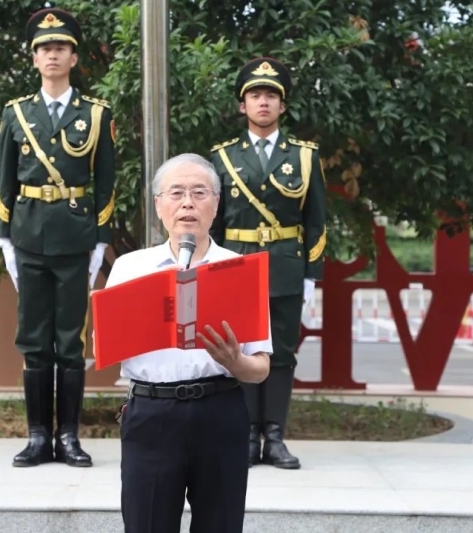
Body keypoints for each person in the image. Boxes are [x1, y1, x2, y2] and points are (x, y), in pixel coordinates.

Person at [101, 153, 273, 533]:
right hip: (151, 414)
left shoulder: (240, 269)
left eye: (199, 192)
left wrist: (234, 361)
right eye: (176, 193)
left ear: (216, 203)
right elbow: (104, 348)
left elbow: (260, 367)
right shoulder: (130, 268)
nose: (187, 203)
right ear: (158, 205)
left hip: (220, 412)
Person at [0, 7, 117, 469]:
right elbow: (5, 181)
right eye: (44, 48)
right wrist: (4, 239)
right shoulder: (16, 114)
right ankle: (37, 436)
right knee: (33, 338)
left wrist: (100, 242)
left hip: (74, 238)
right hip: (27, 236)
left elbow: (106, 184)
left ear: (73, 57)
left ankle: (68, 436)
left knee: (70, 340)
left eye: (60, 47)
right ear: (34, 58)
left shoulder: (96, 115)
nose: (52, 55)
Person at [209, 57, 327, 470]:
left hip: (285, 267)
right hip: (236, 266)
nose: (263, 102)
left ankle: (274, 436)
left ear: (282, 105)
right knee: (239, 350)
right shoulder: (222, 158)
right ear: (242, 105)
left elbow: (316, 222)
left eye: (271, 96)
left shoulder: (305, 157)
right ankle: (244, 436)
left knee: (281, 354)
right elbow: (215, 224)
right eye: (255, 95)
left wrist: (311, 275)